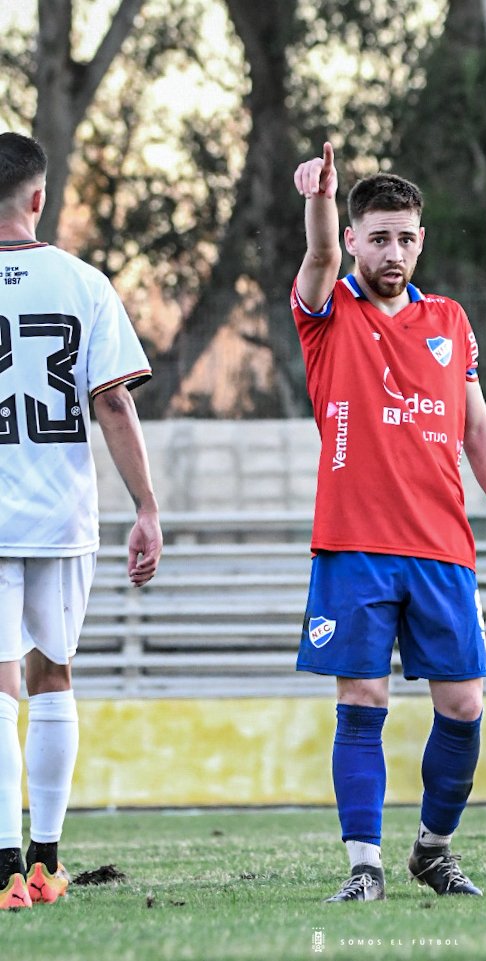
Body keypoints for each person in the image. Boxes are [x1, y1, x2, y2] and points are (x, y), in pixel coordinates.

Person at [291, 142, 486, 902]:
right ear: (355, 239)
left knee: (463, 707)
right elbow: (318, 255)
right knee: (361, 702)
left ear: (420, 240)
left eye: (404, 238)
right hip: (353, 545)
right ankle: (363, 866)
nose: (391, 252)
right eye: (378, 237)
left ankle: (432, 850)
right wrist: (320, 200)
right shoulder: (326, 311)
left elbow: (476, 429)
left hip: (440, 545)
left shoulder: (449, 320)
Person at [0, 133, 162, 909]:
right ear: (39, 197)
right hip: (60, 515)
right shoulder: (82, 281)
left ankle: (2, 869)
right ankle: (46, 861)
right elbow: (113, 402)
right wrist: (147, 506)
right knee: (52, 674)